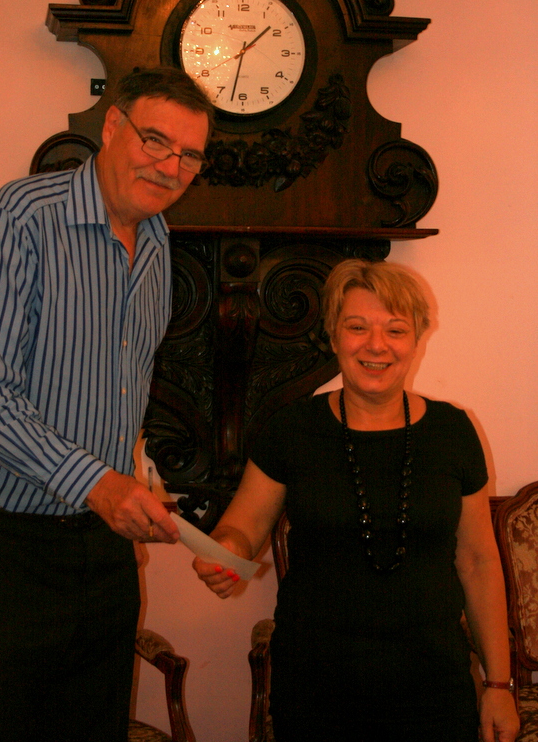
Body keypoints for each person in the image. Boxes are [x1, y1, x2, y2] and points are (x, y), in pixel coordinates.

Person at [0, 67, 214, 742]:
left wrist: (133, 486)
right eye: (156, 140)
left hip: (100, 551)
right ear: (112, 127)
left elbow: (117, 393)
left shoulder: (157, 242)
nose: (170, 166)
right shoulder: (21, 217)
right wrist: (101, 485)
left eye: (189, 155)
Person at [193, 259, 519, 742]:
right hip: (316, 690)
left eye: (395, 330)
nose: (376, 345)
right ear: (333, 335)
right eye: (357, 327)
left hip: (433, 689)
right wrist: (225, 552)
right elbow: (243, 528)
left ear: (416, 340)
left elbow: (478, 561)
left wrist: (497, 684)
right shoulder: (292, 428)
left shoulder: (453, 430)